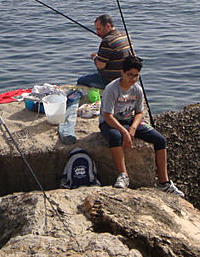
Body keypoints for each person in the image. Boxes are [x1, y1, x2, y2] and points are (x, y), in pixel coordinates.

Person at [99, 55, 184, 197]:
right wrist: (125, 133)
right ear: (122, 73)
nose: (132, 79)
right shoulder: (112, 89)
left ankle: (164, 182)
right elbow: (107, 116)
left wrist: (132, 128)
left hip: (128, 120)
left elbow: (139, 113)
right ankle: (123, 175)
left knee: (160, 140)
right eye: (130, 75)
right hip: (110, 122)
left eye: (136, 75)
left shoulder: (137, 89)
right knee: (115, 136)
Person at [77, 14, 132, 89]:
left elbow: (101, 65)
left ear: (108, 26)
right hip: (126, 78)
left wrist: (95, 57)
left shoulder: (107, 41)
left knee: (81, 81)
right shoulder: (125, 35)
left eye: (99, 29)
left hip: (111, 81)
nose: (97, 33)